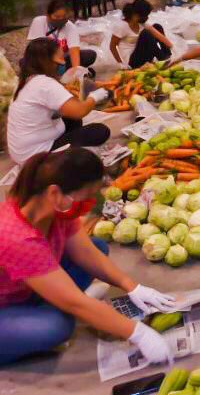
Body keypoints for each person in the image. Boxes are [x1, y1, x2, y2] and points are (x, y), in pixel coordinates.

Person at [0, 148, 174, 366]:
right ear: (55, 193)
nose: (90, 204)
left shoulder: (55, 208)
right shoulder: (17, 237)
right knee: (57, 326)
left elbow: (87, 253)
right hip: (4, 306)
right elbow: (75, 304)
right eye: (87, 196)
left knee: (98, 247)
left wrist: (132, 286)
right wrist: (138, 333)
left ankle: (56, 299)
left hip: (25, 288)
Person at [6, 39, 110, 165]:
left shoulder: (25, 81)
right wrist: (95, 96)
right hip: (37, 156)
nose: (63, 64)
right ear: (47, 61)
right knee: (99, 131)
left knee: (71, 118)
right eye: (60, 61)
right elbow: (80, 111)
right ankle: (64, 159)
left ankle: (70, 148)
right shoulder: (44, 84)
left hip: (22, 152)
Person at [27, 0, 95, 73]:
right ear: (48, 15)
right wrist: (57, 60)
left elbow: (74, 51)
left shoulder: (70, 27)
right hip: (43, 58)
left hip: (62, 60)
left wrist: (76, 72)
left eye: (64, 17)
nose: (60, 20)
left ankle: (62, 71)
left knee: (90, 55)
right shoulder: (39, 22)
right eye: (57, 16)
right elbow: (36, 50)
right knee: (28, 62)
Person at [110, 0, 173, 70]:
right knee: (146, 33)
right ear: (135, 15)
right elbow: (112, 47)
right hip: (132, 61)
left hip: (144, 56)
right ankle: (162, 59)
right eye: (145, 15)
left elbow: (158, 35)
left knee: (157, 26)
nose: (147, 18)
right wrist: (121, 64)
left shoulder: (141, 24)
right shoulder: (121, 26)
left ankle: (166, 55)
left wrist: (172, 47)